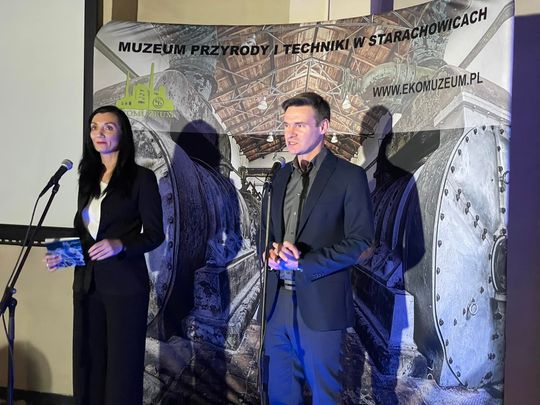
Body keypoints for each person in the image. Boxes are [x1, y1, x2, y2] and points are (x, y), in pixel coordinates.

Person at [45, 105, 164, 405]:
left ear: (122, 134)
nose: (99, 133)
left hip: (125, 289)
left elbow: (155, 234)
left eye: (108, 127)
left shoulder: (142, 178)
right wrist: (64, 255)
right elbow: (87, 236)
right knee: (89, 367)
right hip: (87, 287)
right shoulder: (87, 178)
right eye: (94, 127)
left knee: (122, 373)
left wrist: (121, 244)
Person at [261, 92, 374, 404]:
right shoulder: (279, 177)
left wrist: (303, 263)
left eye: (299, 125)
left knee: (326, 396)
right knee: (281, 395)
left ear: (323, 127)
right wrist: (269, 253)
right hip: (277, 306)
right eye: (286, 125)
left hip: (321, 308)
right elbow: (266, 233)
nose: (290, 133)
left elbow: (361, 242)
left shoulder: (349, 176)